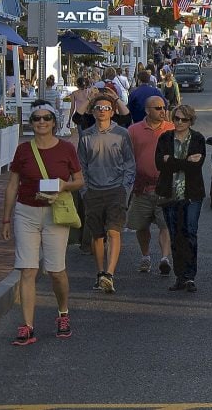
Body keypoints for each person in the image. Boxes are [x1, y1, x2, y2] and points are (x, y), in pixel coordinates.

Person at [1, 102, 84, 345]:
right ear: (31, 123)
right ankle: (27, 325)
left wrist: (64, 185)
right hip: (26, 212)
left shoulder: (67, 149)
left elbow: (79, 180)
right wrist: (6, 218)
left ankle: (63, 313)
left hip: (55, 214)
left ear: (54, 122)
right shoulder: (23, 150)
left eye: (46, 118)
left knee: (56, 271)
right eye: (36, 118)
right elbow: (12, 185)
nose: (41, 122)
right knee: (27, 269)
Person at [78, 93, 136, 294]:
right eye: (98, 108)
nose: (102, 111)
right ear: (93, 112)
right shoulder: (86, 136)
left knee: (113, 231)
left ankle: (109, 274)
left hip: (116, 190)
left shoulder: (122, 134)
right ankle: (100, 272)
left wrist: (125, 188)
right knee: (97, 235)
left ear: (112, 112)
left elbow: (130, 163)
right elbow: (81, 166)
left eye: (106, 108)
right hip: (93, 190)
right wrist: (84, 190)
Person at [156, 104, 207, 293]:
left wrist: (173, 161)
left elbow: (197, 165)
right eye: (176, 118)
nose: (178, 122)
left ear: (190, 121)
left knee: (190, 234)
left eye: (183, 119)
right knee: (176, 236)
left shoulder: (198, 139)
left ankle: (190, 276)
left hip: (192, 194)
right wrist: (185, 162)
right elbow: (160, 163)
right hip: (169, 194)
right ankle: (180, 276)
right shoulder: (165, 138)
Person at [126, 96, 174, 276]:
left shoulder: (171, 128)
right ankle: (145, 256)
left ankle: (164, 259)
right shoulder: (133, 130)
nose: (162, 111)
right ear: (147, 111)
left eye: (164, 107)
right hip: (142, 188)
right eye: (158, 108)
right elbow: (127, 156)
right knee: (141, 225)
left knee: (165, 224)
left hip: (165, 187)